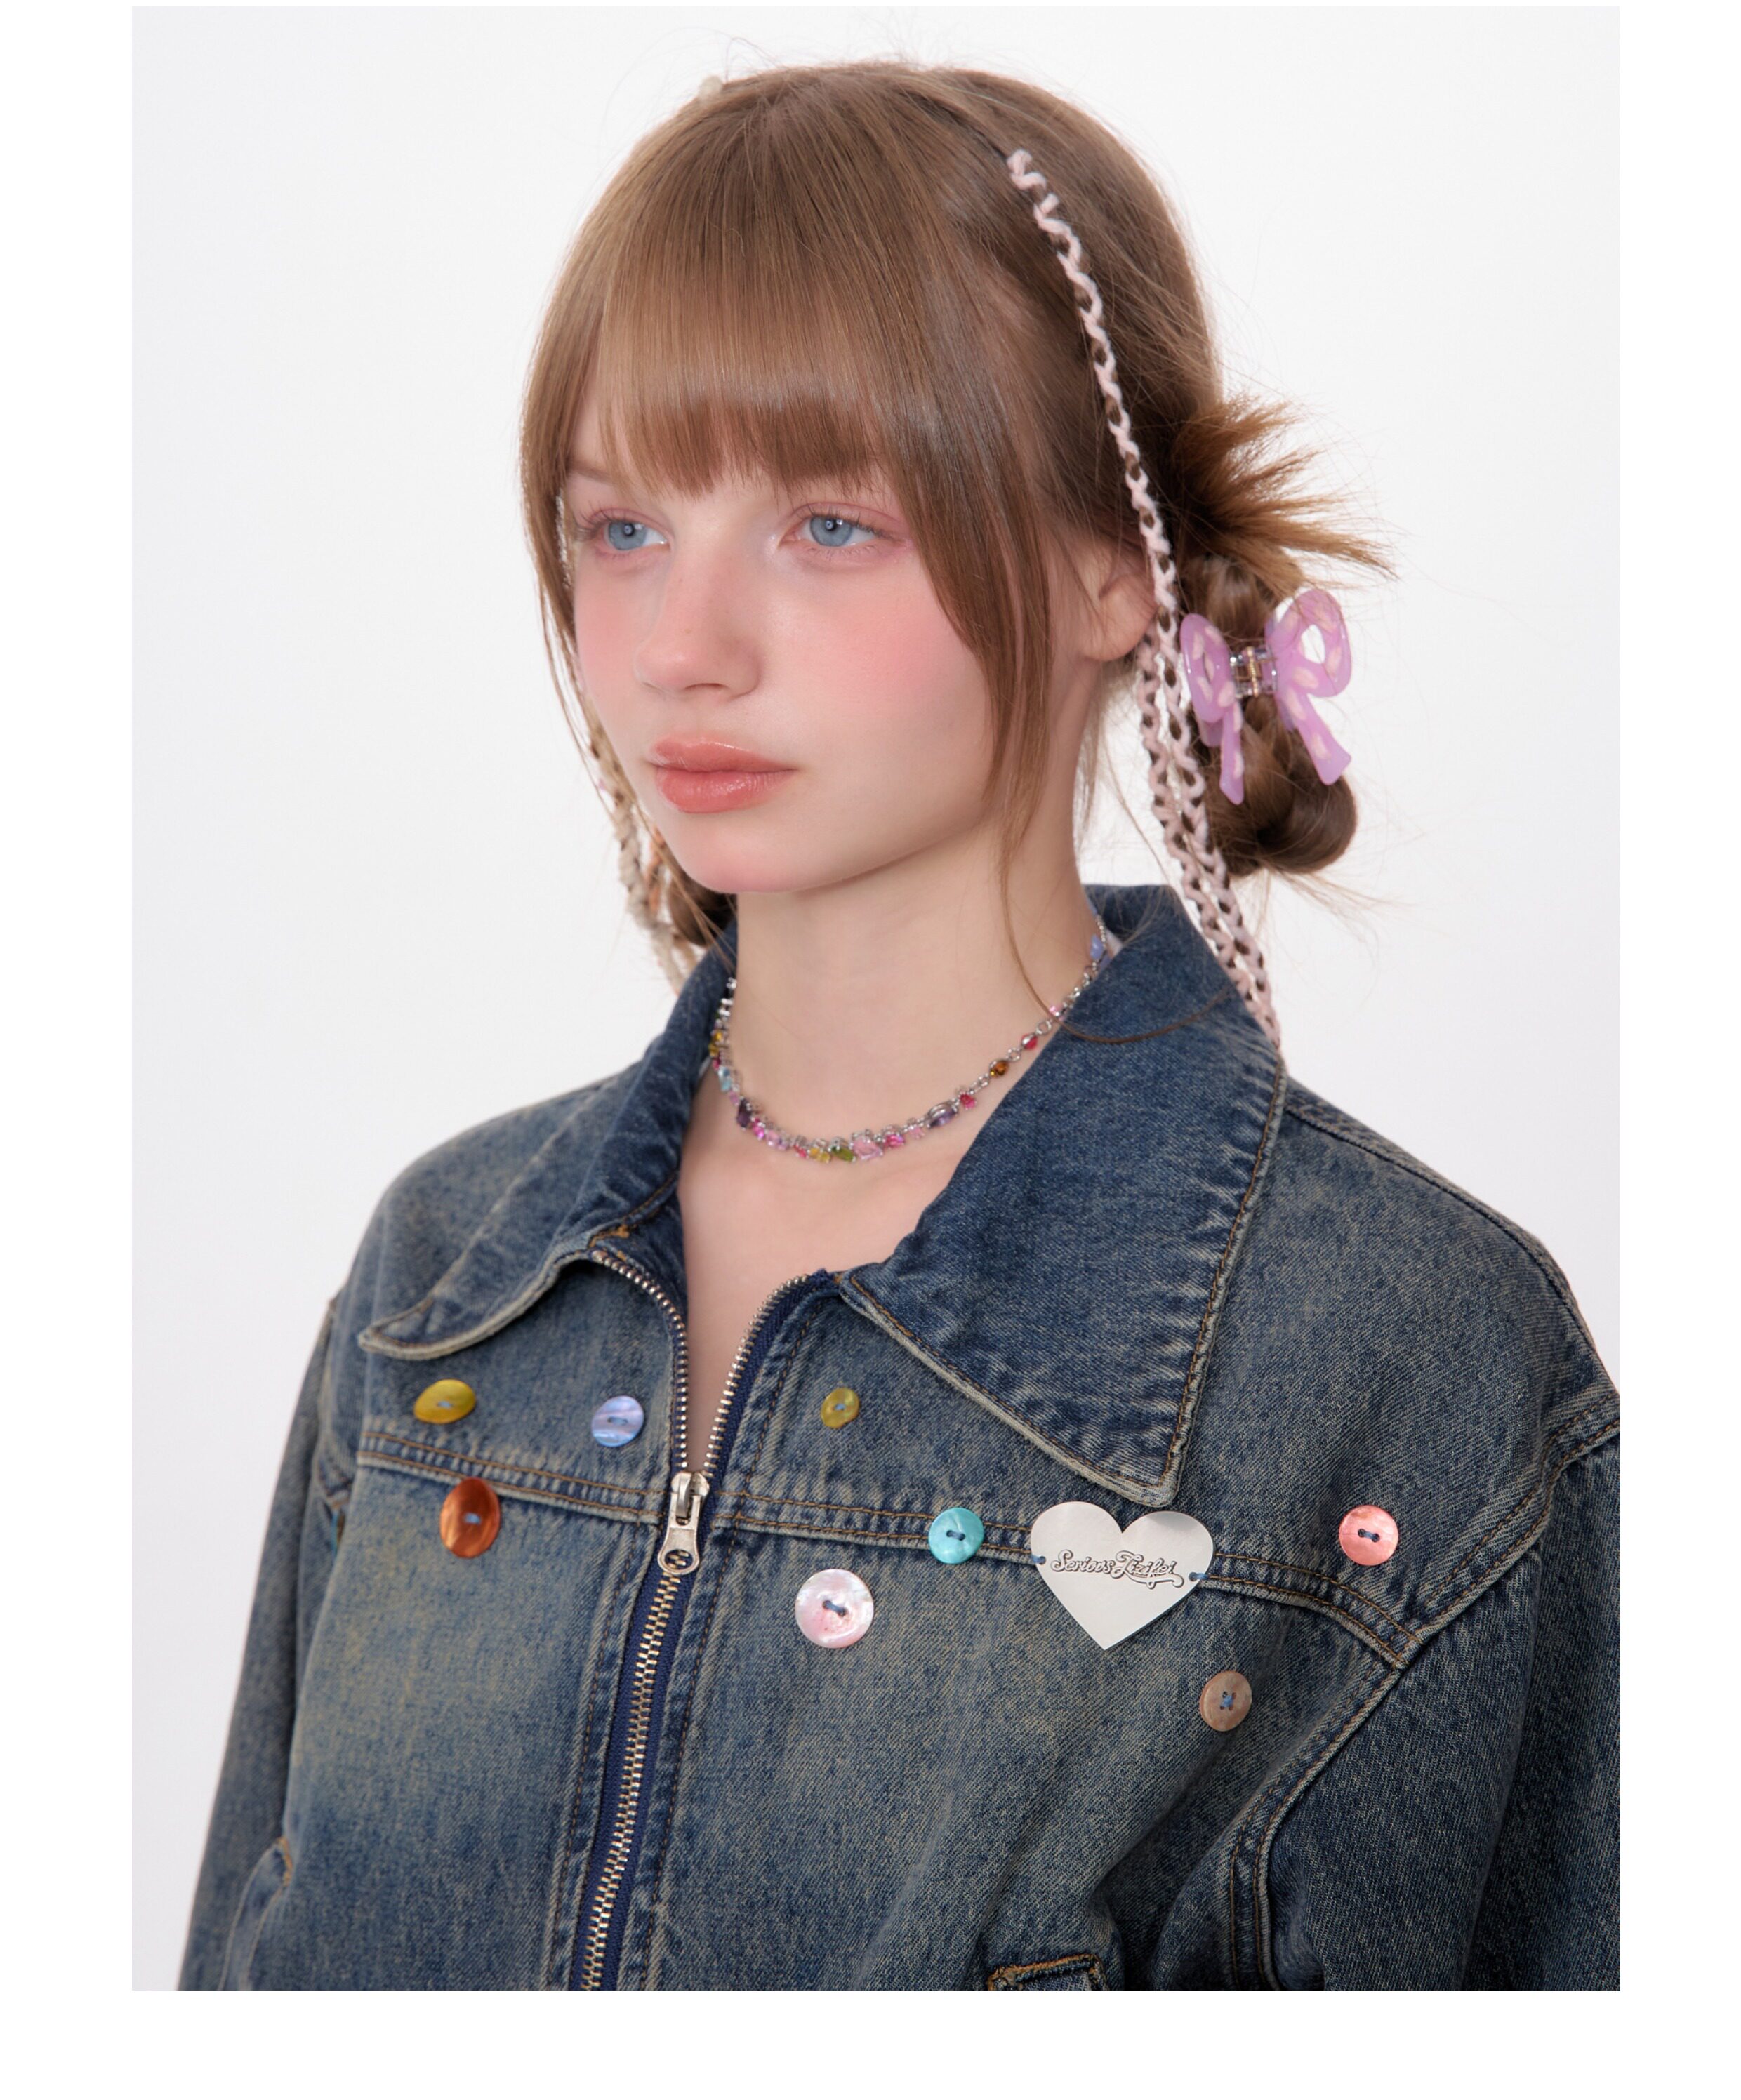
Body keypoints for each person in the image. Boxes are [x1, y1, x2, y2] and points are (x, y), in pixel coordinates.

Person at [178, 58, 1618, 1991]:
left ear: (1113, 567)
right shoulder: (445, 1283)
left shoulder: (1407, 1358)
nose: (681, 648)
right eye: (621, 530)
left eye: (830, 526)